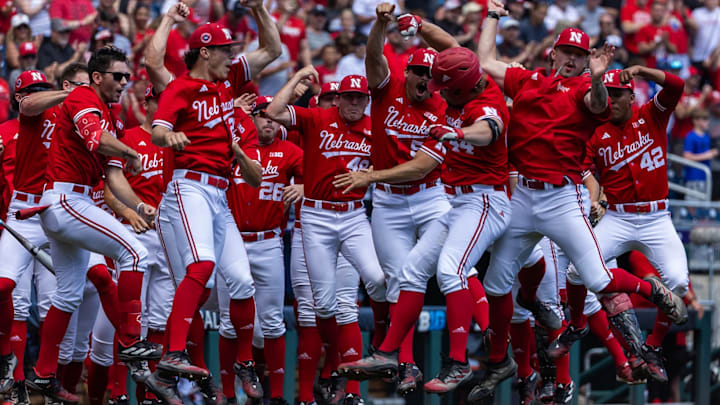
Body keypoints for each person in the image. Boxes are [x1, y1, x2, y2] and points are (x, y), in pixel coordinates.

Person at [468, 1, 687, 402]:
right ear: (553, 52)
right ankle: (503, 361)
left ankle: (648, 298)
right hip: (524, 197)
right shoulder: (528, 80)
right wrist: (493, 16)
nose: (570, 60)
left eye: (578, 55)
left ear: (586, 60)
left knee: (597, 278)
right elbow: (484, 60)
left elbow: (600, 106)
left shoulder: (586, 89)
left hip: (562, 199)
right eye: (565, 52)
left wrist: (599, 78)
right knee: (497, 284)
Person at [20, 46, 163, 402]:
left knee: (67, 294)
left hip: (73, 201)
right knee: (135, 253)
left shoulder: (112, 118)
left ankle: (42, 373)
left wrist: (140, 204)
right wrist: (131, 151)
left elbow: (114, 179)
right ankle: (131, 341)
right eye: (118, 76)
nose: (124, 82)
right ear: (98, 77)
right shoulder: (83, 96)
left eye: (128, 76)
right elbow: (97, 140)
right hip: (67, 199)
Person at [266, 70, 389, 405]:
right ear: (334, 100)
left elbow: (395, 167)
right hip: (316, 217)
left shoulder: (374, 128)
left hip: (352, 214)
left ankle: (381, 345)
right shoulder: (317, 118)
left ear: (367, 100)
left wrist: (373, 176)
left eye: (358, 97)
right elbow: (274, 112)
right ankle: (336, 368)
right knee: (322, 306)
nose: (351, 102)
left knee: (377, 280)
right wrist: (296, 80)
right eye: (346, 96)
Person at [582, 66, 690, 384]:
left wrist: (642, 70)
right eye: (608, 94)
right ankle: (626, 344)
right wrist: (595, 197)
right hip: (618, 216)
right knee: (580, 273)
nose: (611, 100)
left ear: (631, 95)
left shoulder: (651, 114)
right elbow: (584, 170)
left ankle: (652, 348)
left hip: (657, 217)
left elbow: (677, 85)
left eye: (617, 94)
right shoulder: (595, 131)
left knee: (679, 284)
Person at [224, 95, 303, 405]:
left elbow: (320, 176)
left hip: (269, 241)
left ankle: (280, 397)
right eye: (262, 115)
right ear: (251, 118)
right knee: (230, 325)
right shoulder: (233, 147)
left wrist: (305, 186)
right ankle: (228, 396)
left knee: (271, 322)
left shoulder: (291, 151)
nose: (268, 120)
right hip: (231, 241)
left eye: (274, 115)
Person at [683, 108, 717, 198]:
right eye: (705, 119)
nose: (707, 122)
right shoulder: (690, 137)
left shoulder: (707, 136)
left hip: (706, 177)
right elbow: (687, 156)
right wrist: (708, 155)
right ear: (695, 121)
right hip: (694, 177)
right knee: (693, 205)